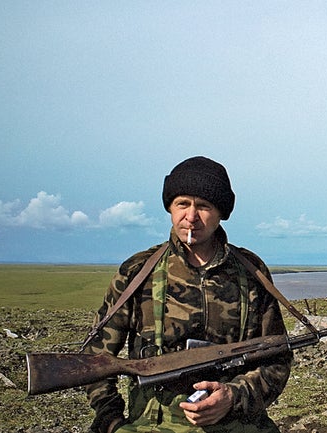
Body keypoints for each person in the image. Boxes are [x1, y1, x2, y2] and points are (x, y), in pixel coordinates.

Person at [83, 156, 291, 433]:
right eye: (182, 203)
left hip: (238, 424)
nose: (191, 217)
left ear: (220, 213)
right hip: (150, 425)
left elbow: (276, 357)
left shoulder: (251, 271)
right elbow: (93, 360)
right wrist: (111, 421)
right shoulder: (138, 271)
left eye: (204, 206)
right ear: (170, 207)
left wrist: (233, 397)